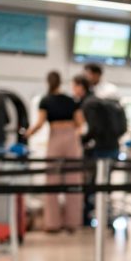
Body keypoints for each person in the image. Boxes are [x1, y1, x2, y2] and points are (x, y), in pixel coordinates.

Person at [27, 71, 85, 233]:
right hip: (71, 138)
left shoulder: (45, 101)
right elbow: (80, 123)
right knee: (73, 182)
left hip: (55, 137)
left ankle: (52, 224)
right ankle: (73, 223)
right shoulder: (71, 101)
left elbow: (39, 123)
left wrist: (28, 133)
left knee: (52, 182)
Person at [74, 75, 120, 225]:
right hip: (112, 147)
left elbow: (93, 128)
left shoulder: (89, 104)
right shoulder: (101, 102)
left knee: (94, 185)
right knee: (105, 185)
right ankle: (104, 217)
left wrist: (83, 141)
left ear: (81, 86)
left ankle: (91, 217)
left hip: (99, 150)